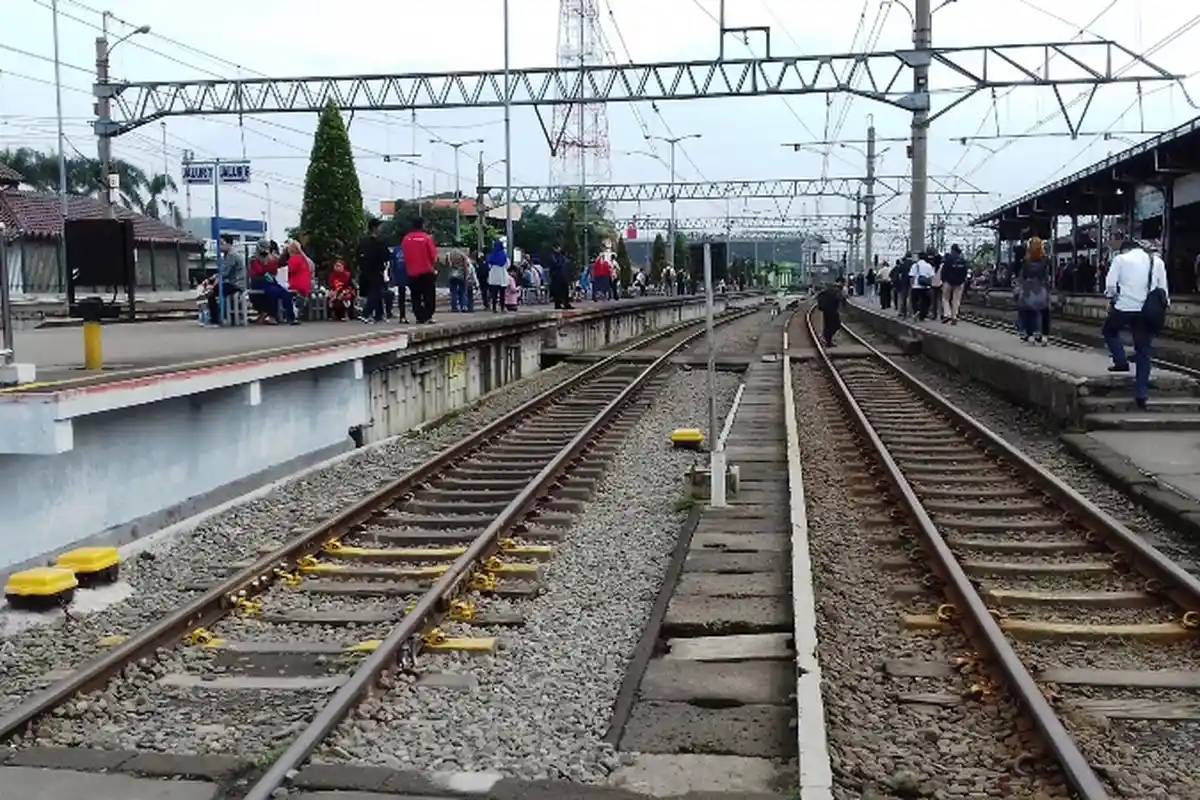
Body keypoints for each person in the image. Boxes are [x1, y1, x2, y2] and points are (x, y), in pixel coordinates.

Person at [1103, 235, 1169, 409]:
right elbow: (1163, 290)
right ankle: (1141, 394)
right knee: (1143, 352)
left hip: (1125, 307)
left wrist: (1114, 299)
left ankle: (1121, 360)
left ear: (1126, 249)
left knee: (1109, 331)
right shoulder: (1158, 262)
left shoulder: (1120, 259)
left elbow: (1110, 286)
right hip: (1147, 311)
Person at [247, 241, 295, 325]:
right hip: (259, 282)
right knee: (273, 292)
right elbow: (258, 272)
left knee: (286, 293)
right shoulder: (254, 259)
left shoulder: (273, 259)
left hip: (270, 281)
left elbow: (274, 271)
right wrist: (265, 265)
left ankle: (291, 317)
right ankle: (272, 316)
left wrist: (271, 262)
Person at [401, 217, 438, 324]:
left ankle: (419, 316)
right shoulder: (427, 238)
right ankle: (428, 315)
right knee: (429, 295)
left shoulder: (406, 239)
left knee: (415, 296)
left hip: (412, 272)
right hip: (426, 271)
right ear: (422, 226)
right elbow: (433, 256)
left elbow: (404, 255)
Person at [1016, 237, 1050, 344]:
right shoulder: (1045, 261)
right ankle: (1044, 336)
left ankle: (1029, 334)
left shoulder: (1026, 262)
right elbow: (1046, 277)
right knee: (1044, 312)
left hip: (1028, 289)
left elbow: (1022, 277)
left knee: (1027, 311)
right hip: (1041, 288)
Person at [204, 235, 244, 326]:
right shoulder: (228, 255)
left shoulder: (232, 255)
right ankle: (220, 316)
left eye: (222, 243)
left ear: (229, 244)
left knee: (212, 293)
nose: (220, 246)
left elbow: (225, 273)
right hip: (234, 283)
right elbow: (223, 272)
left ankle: (215, 319)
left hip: (236, 284)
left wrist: (213, 283)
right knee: (215, 290)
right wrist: (213, 278)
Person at [356, 219, 391, 324]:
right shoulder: (379, 242)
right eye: (379, 227)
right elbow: (386, 256)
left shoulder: (362, 242)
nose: (381, 229)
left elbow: (358, 255)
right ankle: (366, 313)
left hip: (364, 271)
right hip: (376, 270)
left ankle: (379, 315)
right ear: (375, 228)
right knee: (375, 292)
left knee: (377, 291)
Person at [940, 244, 968, 324]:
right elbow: (965, 272)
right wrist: (963, 280)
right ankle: (954, 316)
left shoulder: (949, 259)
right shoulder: (963, 260)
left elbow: (944, 271)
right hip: (959, 283)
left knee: (945, 298)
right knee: (956, 300)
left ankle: (947, 314)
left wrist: (943, 280)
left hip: (948, 282)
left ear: (952, 250)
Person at [285, 240, 312, 320]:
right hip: (306, 284)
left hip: (296, 284)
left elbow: (290, 271)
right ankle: (298, 310)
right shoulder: (304, 259)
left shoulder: (293, 259)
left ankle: (291, 313)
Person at [816, 278, 845, 347]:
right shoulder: (837, 289)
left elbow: (820, 295)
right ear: (841, 282)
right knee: (836, 324)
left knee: (827, 325)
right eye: (843, 283)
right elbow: (839, 298)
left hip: (826, 309)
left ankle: (827, 341)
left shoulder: (830, 287)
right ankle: (826, 338)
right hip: (832, 310)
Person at [908, 251, 935, 321]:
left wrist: (912, 285)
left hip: (916, 287)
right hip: (926, 287)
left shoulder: (915, 265)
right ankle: (922, 316)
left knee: (914, 300)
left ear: (919, 257)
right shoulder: (929, 266)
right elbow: (932, 277)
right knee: (926, 302)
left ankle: (916, 311)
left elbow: (912, 277)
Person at [486, 240, 508, 312]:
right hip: (502, 276)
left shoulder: (491, 255)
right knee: (502, 294)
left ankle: (494, 308)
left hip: (494, 276)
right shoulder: (504, 255)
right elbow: (507, 265)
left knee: (494, 294)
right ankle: (502, 308)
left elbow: (489, 266)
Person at [548, 245, 572, 309]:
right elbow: (555, 264)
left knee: (565, 289)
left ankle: (566, 303)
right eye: (557, 248)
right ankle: (557, 304)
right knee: (557, 291)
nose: (559, 249)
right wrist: (562, 262)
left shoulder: (561, 256)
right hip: (555, 275)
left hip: (562, 275)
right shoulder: (552, 256)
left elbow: (565, 261)